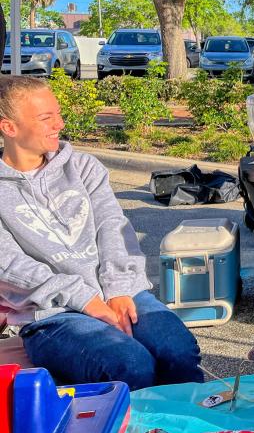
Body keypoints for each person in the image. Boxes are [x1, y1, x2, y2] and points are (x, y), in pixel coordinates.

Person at [0, 76, 202, 390]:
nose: (59, 123)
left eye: (58, 113)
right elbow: (12, 266)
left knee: (178, 350)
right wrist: (89, 302)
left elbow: (113, 227)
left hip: (119, 290)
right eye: (45, 118)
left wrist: (119, 289)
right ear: (9, 127)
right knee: (130, 364)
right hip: (52, 314)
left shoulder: (83, 168)